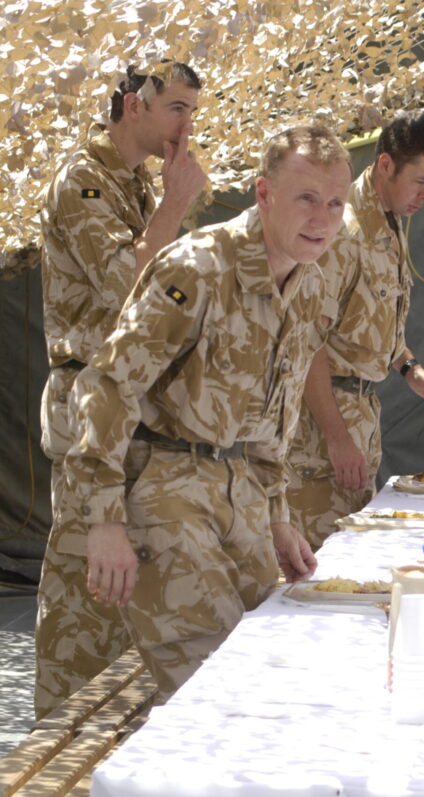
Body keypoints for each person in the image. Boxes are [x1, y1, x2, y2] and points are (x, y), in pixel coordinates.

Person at [61, 124, 350, 701]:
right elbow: (109, 384)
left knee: (274, 669)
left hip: (240, 497)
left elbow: (278, 413)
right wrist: (105, 520)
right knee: (221, 693)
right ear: (264, 194)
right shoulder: (197, 269)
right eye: (307, 199)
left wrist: (278, 515)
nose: (323, 218)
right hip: (168, 496)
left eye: (337, 203)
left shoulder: (310, 283)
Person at [35, 59, 207, 717]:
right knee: (85, 604)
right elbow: (125, 286)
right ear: (135, 103)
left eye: (192, 109)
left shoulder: (136, 183)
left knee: (129, 600)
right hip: (90, 408)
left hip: (138, 412)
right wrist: (175, 204)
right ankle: (55, 761)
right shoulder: (83, 181)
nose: (186, 125)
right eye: (177, 108)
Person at [286, 111, 424, 550]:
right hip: (318, 439)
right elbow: (307, 341)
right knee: (313, 575)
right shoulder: (343, 232)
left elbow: (371, 319)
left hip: (360, 421)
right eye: (420, 180)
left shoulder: (389, 221)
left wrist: (410, 368)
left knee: (352, 566)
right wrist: (336, 437)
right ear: (385, 166)